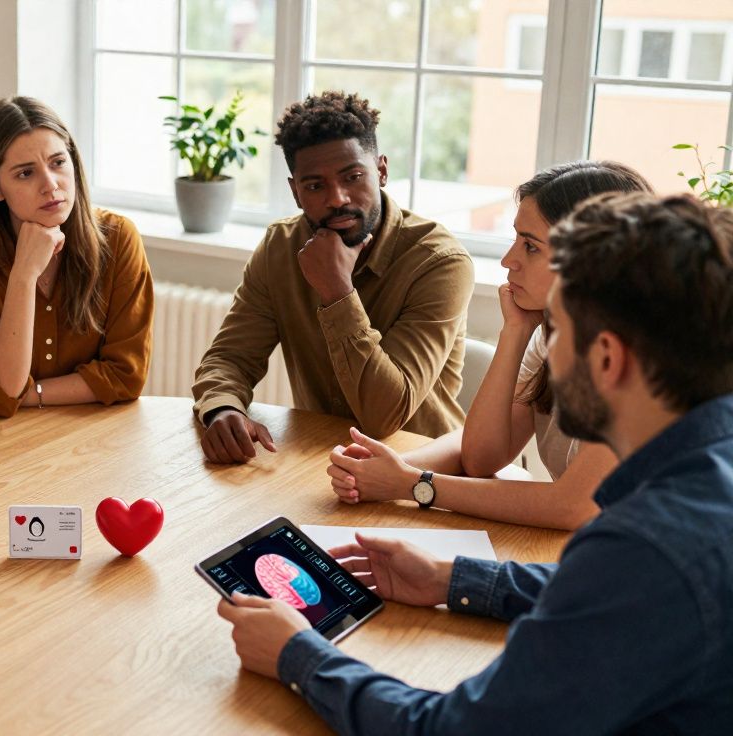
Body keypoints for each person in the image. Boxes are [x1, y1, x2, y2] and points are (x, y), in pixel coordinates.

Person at [216, 192, 733, 733]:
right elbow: (618, 598)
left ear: (607, 359)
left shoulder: (646, 546)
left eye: (555, 329)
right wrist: (451, 579)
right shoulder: (694, 492)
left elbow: (449, 730)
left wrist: (297, 654)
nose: (548, 352)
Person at [325, 161, 652, 530]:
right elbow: (482, 457)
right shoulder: (554, 334)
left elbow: (573, 506)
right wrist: (515, 332)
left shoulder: (645, 358)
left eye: (530, 246)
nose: (508, 260)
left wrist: (413, 485)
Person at [194, 91, 473, 464]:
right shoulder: (281, 247)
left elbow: (385, 418)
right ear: (296, 192)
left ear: (382, 171)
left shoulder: (439, 262)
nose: (337, 198)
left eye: (353, 177)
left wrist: (337, 290)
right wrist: (223, 409)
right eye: (314, 186)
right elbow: (229, 358)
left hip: (424, 474)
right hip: (322, 465)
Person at [0, 96, 153, 417]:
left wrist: (28, 394)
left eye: (58, 162)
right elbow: (3, 391)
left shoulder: (119, 239)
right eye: (26, 173)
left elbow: (126, 376)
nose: (51, 185)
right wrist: (23, 276)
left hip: (80, 426)